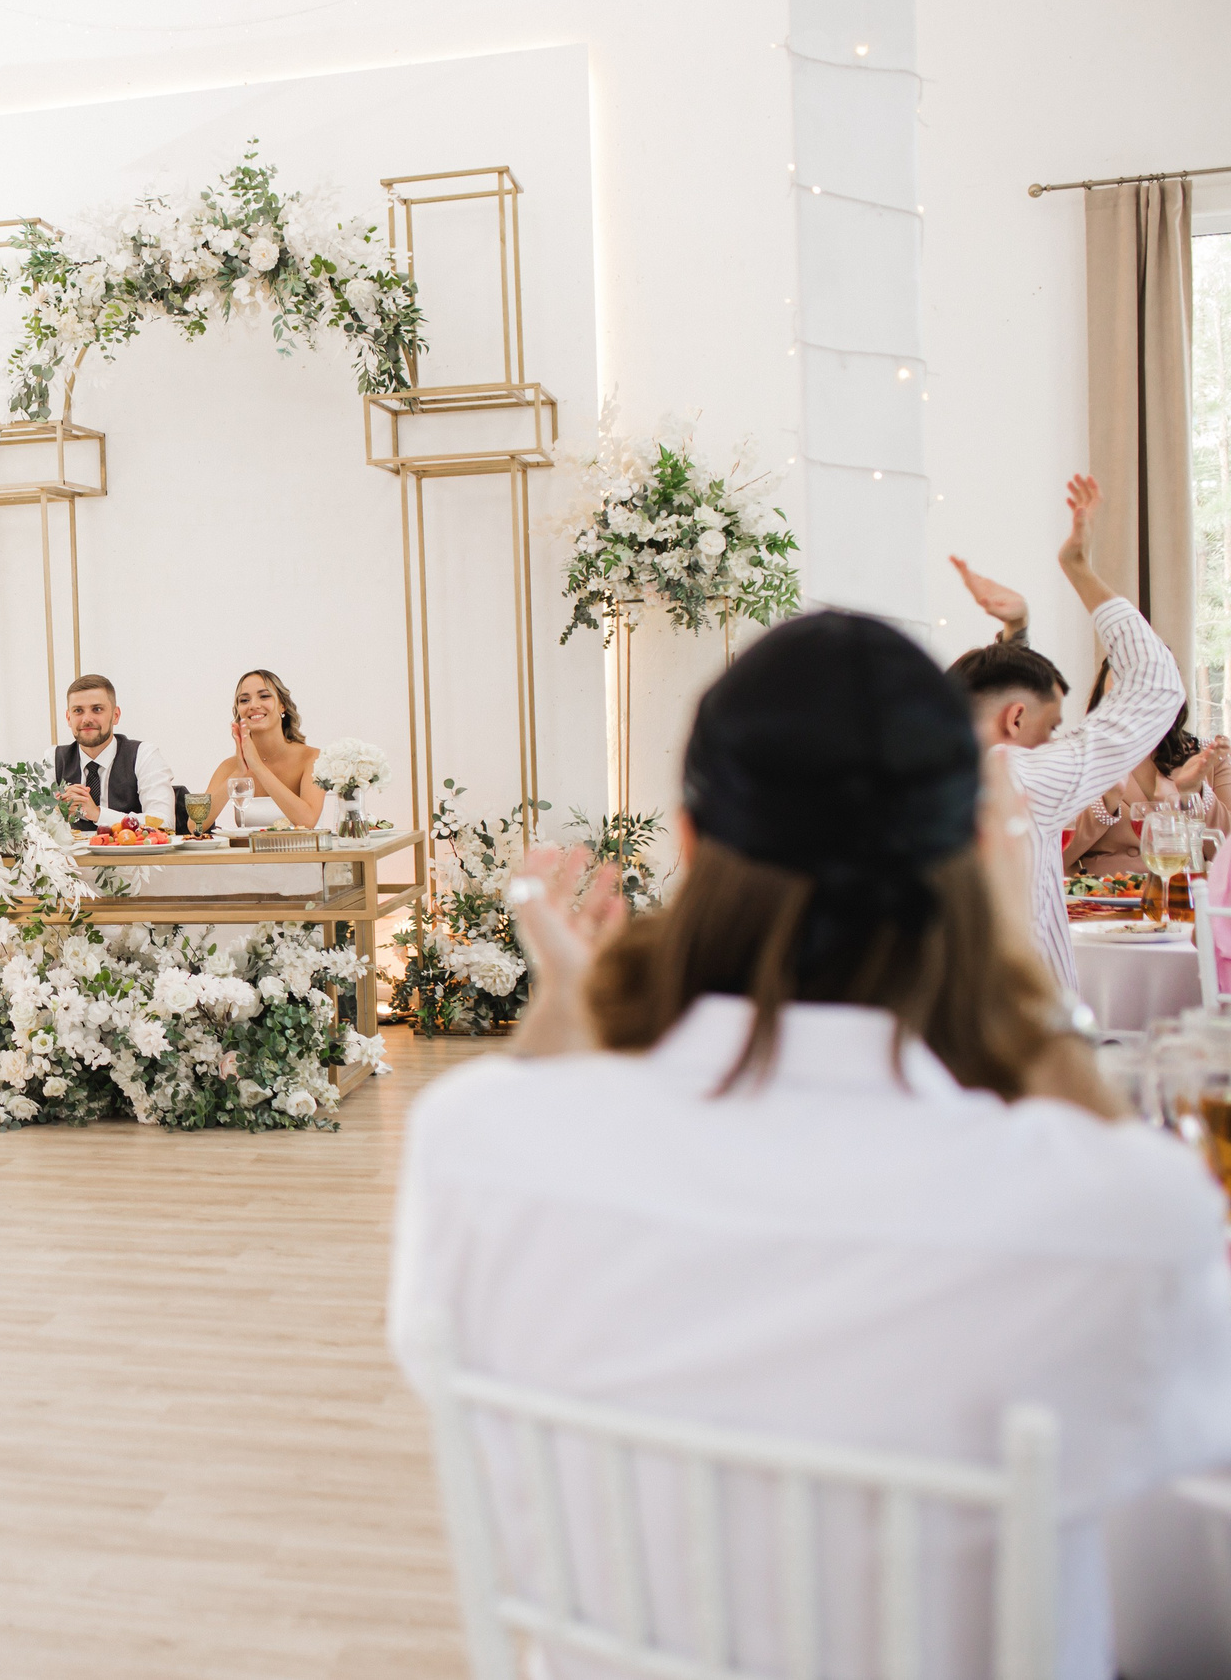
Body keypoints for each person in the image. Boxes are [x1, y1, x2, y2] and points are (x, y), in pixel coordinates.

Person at [390, 611, 1231, 1680]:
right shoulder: (1118, 1210)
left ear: (689, 846)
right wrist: (1029, 1007)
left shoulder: (473, 1148)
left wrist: (563, 1022)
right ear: (976, 851)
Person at [942, 475, 1182, 1002]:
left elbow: (1001, 705)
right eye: (1052, 730)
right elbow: (1156, 684)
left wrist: (1017, 637)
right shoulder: (1017, 778)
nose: (1054, 743)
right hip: (1022, 1036)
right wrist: (1079, 569)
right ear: (1017, 718)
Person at [1059, 667, 1231, 877]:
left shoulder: (1207, 756)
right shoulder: (1075, 756)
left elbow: (1225, 855)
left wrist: (1193, 795)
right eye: (1123, 679)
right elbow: (1050, 856)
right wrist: (1105, 802)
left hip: (1184, 899)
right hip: (1101, 901)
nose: (1134, 693)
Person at [200, 669, 328, 830]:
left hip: (302, 854)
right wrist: (238, 773)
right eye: (244, 700)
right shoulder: (230, 767)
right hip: (249, 855)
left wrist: (258, 767)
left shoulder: (313, 758)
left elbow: (307, 821)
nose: (253, 705)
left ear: (282, 706)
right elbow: (196, 826)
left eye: (264, 696)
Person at [51, 674, 176, 830]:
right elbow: (31, 824)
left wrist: (97, 814)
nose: (87, 719)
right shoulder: (53, 760)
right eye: (78, 711)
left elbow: (164, 823)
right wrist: (55, 812)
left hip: (132, 855)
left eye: (97, 709)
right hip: (71, 855)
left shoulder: (143, 755)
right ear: (68, 718)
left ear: (115, 715)